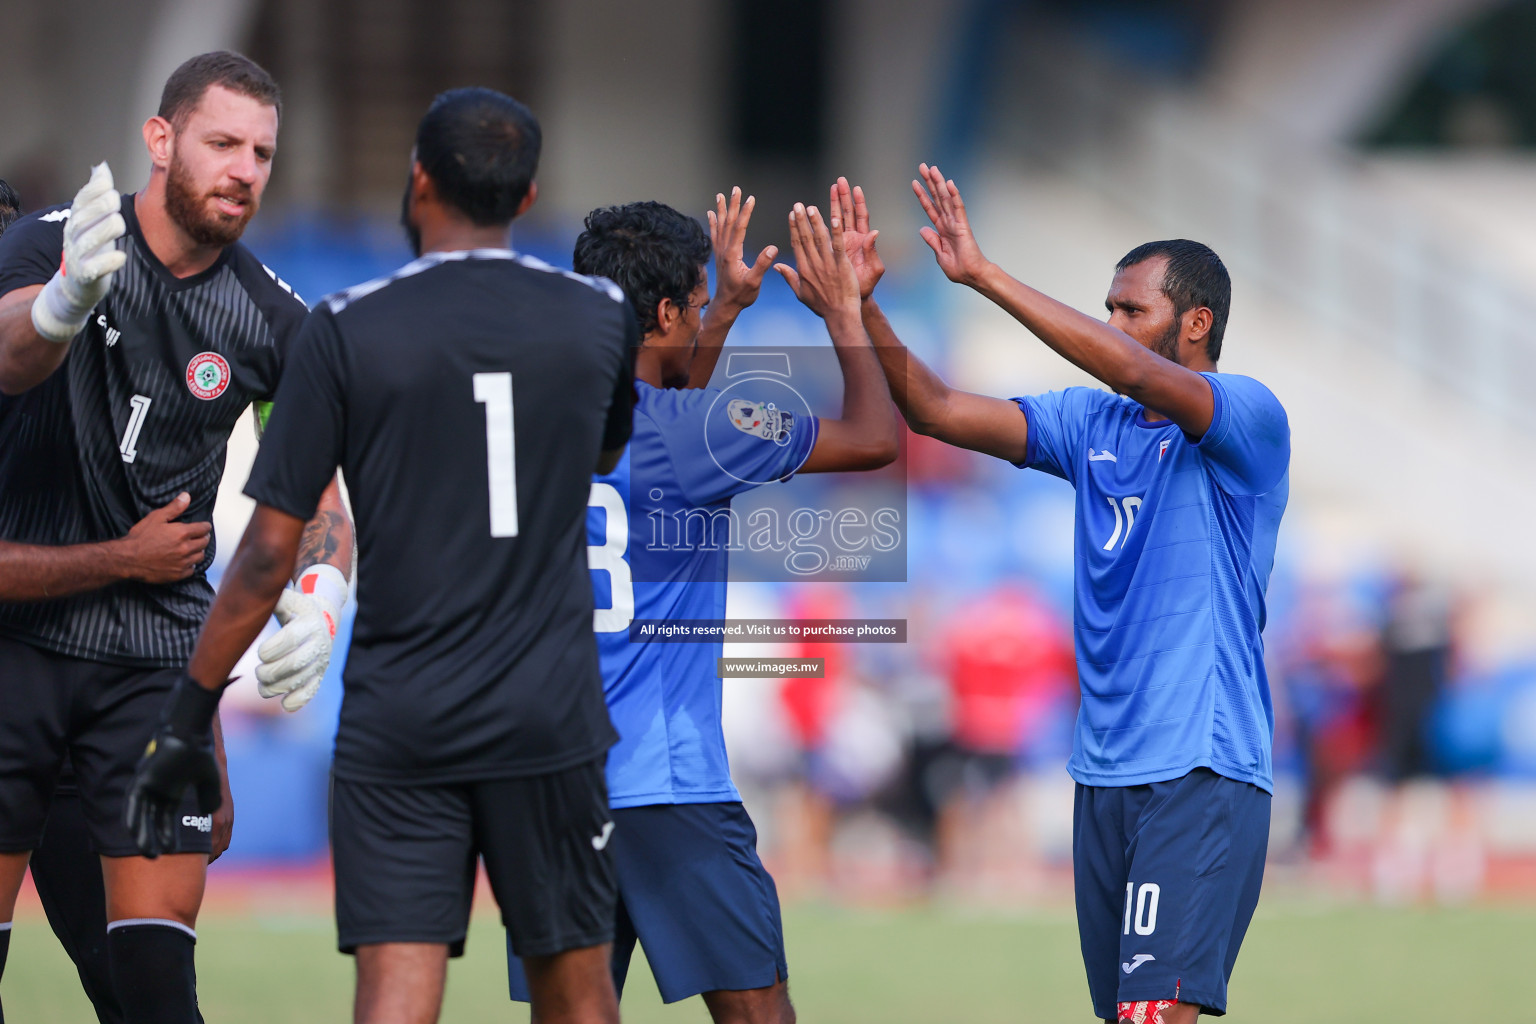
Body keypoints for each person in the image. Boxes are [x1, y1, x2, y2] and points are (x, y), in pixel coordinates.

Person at [126, 86, 635, 1024]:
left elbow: (268, 552)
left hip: (403, 718)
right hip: (549, 714)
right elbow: (604, 451)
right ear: (526, 200)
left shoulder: (345, 324)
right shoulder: (601, 315)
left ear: (420, 179)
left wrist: (188, 715)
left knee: (396, 998)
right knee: (577, 988)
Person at [848, 167, 1289, 1024]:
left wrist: (983, 275)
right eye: (1112, 308)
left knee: (1150, 1017)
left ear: (1196, 324)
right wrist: (858, 310)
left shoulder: (1248, 418)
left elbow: (1132, 372)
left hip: (1198, 766)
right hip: (1105, 772)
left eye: (1134, 310)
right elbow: (934, 410)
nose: (1115, 325)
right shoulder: (1092, 425)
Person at [0, 53, 353, 1024]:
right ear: (160, 141)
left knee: (151, 992)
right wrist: (63, 301)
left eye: (262, 153)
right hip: (14, 647)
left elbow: (319, 489)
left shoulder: (275, 320)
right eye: (223, 143)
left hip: (149, 666)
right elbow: (6, 353)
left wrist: (322, 594)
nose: (244, 168)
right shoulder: (48, 245)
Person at [506, 189, 898, 1022]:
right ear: (663, 310)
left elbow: (658, 415)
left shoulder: (529, 425)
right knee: (759, 1013)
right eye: (689, 305)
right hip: (666, 783)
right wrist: (845, 312)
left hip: (549, 787)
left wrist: (716, 311)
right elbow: (874, 438)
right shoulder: (707, 428)